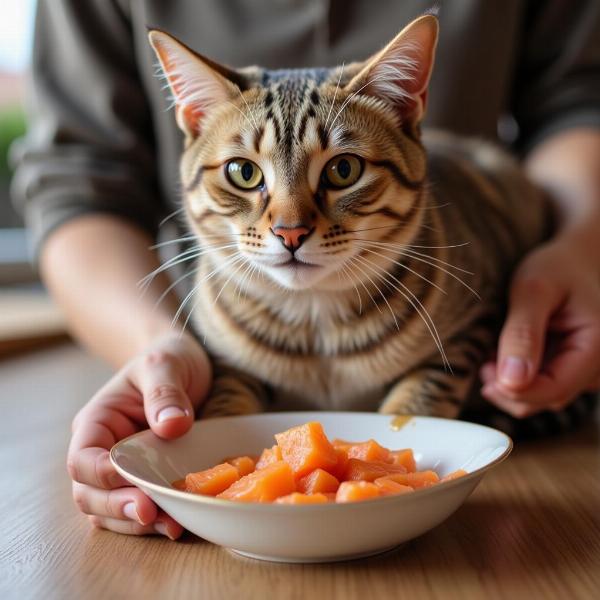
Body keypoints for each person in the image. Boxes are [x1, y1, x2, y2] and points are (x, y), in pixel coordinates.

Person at [11, 1, 600, 539]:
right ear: (193, 121)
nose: (289, 224)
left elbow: (577, 99)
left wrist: (579, 249)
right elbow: (76, 175)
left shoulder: (442, 278)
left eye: (340, 172)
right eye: (245, 174)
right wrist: (162, 351)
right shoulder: (212, 310)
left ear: (406, 110)